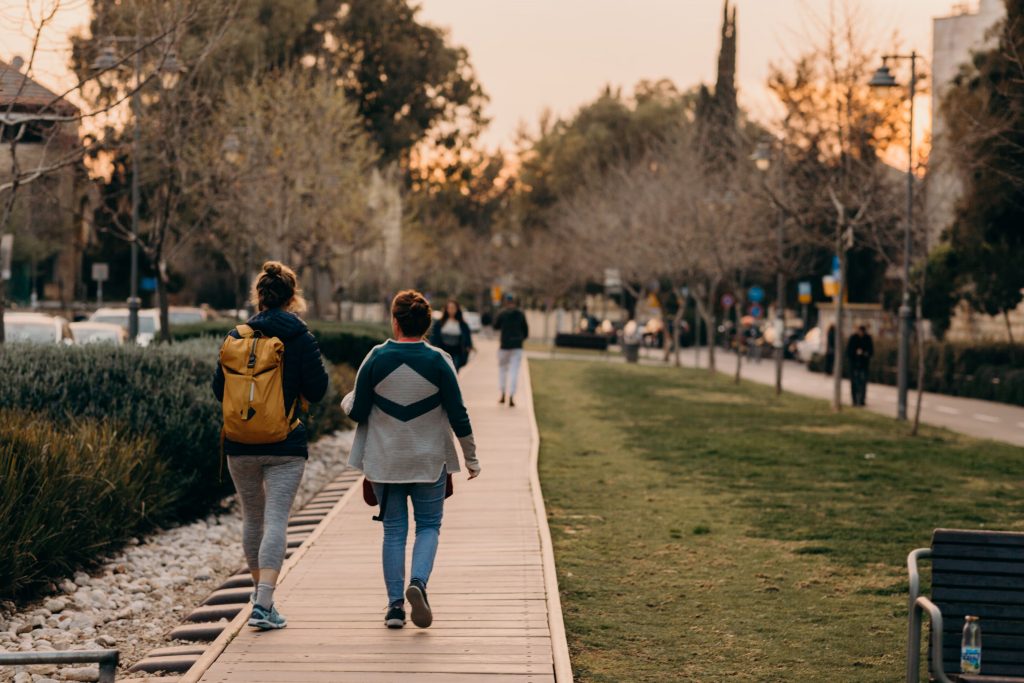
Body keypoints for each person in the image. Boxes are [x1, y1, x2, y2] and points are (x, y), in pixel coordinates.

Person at [342, 290, 481, 630]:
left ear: (395, 321)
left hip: (385, 461)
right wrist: (471, 458)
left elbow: (358, 411)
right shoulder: (439, 361)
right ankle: (417, 583)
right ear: (427, 324)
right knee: (429, 526)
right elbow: (458, 413)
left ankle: (393, 608)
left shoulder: (376, 357)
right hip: (428, 459)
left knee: (393, 532)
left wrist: (348, 400)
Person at [212, 261, 329, 630]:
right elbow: (319, 391)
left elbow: (219, 389)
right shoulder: (300, 336)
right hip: (285, 443)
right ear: (293, 297)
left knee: (253, 517)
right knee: (277, 518)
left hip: (239, 444)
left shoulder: (236, 335)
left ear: (258, 296)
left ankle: (260, 595)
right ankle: (263, 604)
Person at [493, 294, 528, 407]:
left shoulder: (502, 313)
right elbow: (526, 330)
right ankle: (511, 395)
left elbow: (495, 326)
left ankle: (503, 393)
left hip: (504, 346)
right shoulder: (520, 314)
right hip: (517, 346)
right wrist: (520, 338)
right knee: (514, 372)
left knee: (503, 370)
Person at [429, 299, 474, 371]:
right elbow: (434, 336)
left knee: (454, 371)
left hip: (457, 352)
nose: (451, 310)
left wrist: (468, 348)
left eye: (453, 308)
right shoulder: (440, 322)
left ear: (457, 309)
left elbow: (467, 338)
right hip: (443, 351)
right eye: (449, 308)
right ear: (446, 309)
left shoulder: (462, 324)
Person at [847, 325, 874, 406]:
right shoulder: (853, 338)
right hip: (854, 364)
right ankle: (854, 400)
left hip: (863, 364)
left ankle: (862, 400)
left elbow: (871, 351)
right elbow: (849, 352)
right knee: (854, 383)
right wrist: (855, 353)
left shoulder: (867, 339)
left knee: (863, 383)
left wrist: (865, 354)